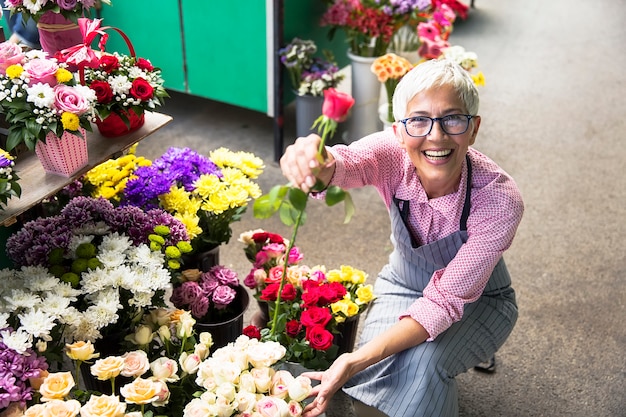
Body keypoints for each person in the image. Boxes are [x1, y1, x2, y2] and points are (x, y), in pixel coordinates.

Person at [279, 58, 524, 417]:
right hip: (403, 283)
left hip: (480, 299)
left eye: (453, 119)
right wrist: (315, 163)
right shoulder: (390, 153)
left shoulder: (500, 198)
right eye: (419, 120)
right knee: (380, 374)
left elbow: (445, 302)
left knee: (424, 363)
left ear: (473, 129)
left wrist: (352, 360)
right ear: (398, 130)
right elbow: (345, 164)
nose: (436, 136)